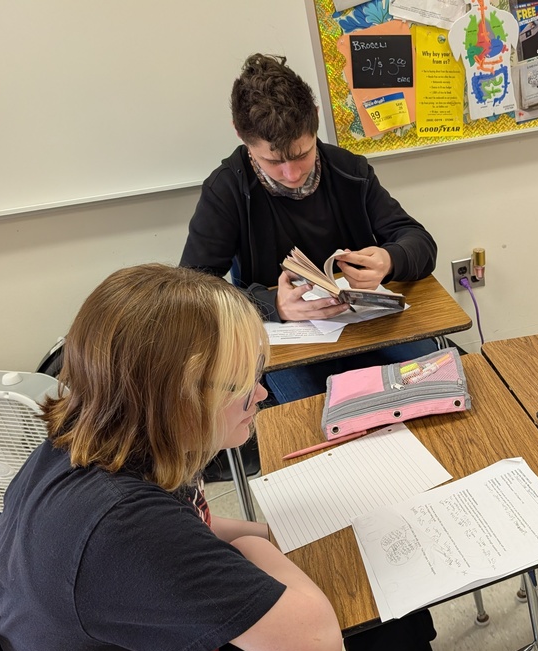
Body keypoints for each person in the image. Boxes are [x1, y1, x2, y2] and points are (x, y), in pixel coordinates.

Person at [0, 265, 474, 651]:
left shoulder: (86, 438)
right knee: (360, 587)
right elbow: (317, 645)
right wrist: (253, 548)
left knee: (338, 560)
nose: (261, 395)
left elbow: (190, 528)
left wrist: (268, 533)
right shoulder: (124, 528)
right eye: (243, 385)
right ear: (181, 395)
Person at [180, 53, 439, 405]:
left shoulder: (350, 170)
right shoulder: (227, 191)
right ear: (241, 136)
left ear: (315, 118)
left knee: (440, 380)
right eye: (272, 161)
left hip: (365, 325)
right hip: (290, 341)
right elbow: (192, 294)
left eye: (301, 153)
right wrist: (275, 305)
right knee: (321, 415)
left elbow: (419, 242)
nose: (291, 174)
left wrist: (389, 259)